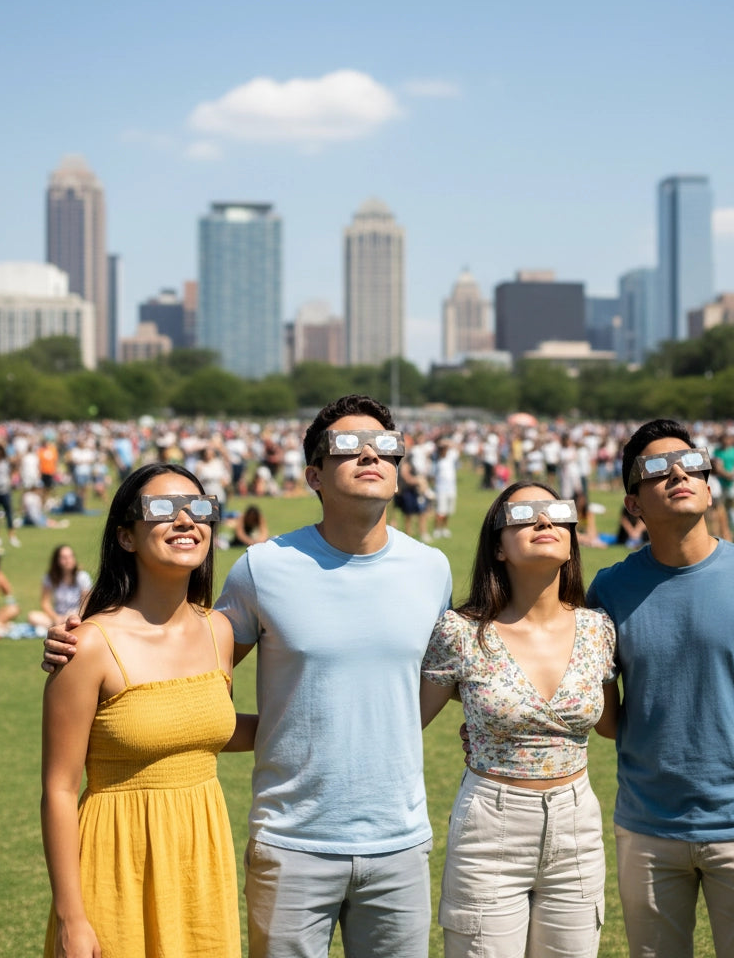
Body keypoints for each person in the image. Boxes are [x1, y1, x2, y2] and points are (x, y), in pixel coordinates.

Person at [43, 396, 453, 958]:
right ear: (314, 475)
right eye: (346, 446)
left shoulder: (432, 568)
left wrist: (386, 724)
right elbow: (167, 684)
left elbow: (445, 674)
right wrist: (83, 635)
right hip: (286, 842)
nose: (369, 455)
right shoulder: (263, 568)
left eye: (385, 445)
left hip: (395, 843)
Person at [586, 418, 734, 958]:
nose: (678, 474)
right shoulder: (609, 590)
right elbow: (608, 720)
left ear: (709, 487)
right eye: (657, 468)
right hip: (646, 828)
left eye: (691, 463)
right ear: (633, 503)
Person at [40, 462, 255, 958]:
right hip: (116, 863)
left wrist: (313, 724)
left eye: (198, 507)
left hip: (200, 864)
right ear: (126, 537)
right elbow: (59, 789)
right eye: (162, 508)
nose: (185, 520)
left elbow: (202, 729)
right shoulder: (87, 645)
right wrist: (72, 919)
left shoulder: (219, 631)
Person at [420, 483, 617, 958]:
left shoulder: (598, 628)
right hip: (490, 827)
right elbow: (408, 721)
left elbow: (612, 724)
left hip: (577, 827)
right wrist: (481, 718)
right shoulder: (461, 631)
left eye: (556, 512)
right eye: (525, 514)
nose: (544, 521)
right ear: (498, 548)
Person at [28, 544, 93, 627]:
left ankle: (63, 625)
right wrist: (56, 618)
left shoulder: (82, 577)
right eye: (64, 558)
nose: (68, 560)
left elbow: (85, 604)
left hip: (76, 614)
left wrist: (74, 616)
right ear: (57, 560)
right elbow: (45, 602)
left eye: (70, 557)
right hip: (58, 615)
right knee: (32, 616)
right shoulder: (50, 577)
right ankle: (63, 625)